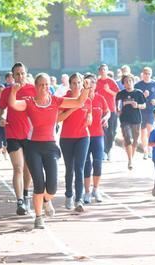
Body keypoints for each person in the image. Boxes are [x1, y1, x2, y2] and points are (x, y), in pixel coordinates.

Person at [8, 72, 90, 229]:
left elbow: (79, 101)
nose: (45, 87)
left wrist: (85, 89)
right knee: (39, 184)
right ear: (36, 87)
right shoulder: (29, 102)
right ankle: (38, 217)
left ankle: (46, 199)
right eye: (41, 84)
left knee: (51, 187)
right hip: (33, 147)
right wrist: (13, 91)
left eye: (47, 84)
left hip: (51, 147)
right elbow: (13, 104)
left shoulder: (55, 101)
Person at [0, 62, 36, 215]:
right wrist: (1, 117)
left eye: (22, 73)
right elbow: (1, 107)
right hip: (12, 132)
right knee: (18, 167)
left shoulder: (33, 89)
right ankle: (20, 200)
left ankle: (26, 194)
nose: (20, 76)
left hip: (30, 134)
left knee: (28, 168)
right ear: (12, 76)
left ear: (26, 74)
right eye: (17, 74)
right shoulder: (7, 91)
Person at [58, 73, 91, 212]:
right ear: (70, 84)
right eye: (74, 83)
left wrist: (89, 117)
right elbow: (58, 118)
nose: (77, 85)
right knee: (69, 169)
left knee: (79, 168)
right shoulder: (64, 99)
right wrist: (73, 108)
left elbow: (90, 115)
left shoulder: (87, 99)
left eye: (79, 83)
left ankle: (79, 199)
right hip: (67, 138)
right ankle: (68, 195)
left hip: (83, 137)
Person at [84, 74, 109, 204]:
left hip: (98, 135)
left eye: (93, 82)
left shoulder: (100, 98)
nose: (91, 84)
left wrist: (106, 118)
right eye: (88, 82)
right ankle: (87, 192)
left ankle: (96, 189)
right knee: (87, 164)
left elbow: (108, 111)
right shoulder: (81, 99)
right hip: (84, 136)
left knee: (98, 163)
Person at [116, 74, 146, 170]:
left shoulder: (138, 93)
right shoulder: (121, 94)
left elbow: (144, 105)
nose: (128, 83)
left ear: (133, 82)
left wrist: (137, 105)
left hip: (136, 119)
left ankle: (131, 158)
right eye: (126, 81)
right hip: (124, 119)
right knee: (127, 138)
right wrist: (118, 109)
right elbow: (117, 105)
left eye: (130, 81)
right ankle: (130, 160)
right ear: (123, 84)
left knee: (135, 141)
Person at [134, 67, 155, 159]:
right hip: (141, 110)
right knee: (143, 131)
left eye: (148, 73)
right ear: (142, 74)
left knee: (150, 128)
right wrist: (143, 96)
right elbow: (135, 98)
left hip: (151, 110)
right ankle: (145, 151)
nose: (147, 75)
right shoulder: (138, 85)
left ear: (151, 74)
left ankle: (150, 149)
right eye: (145, 73)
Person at [96, 64, 120, 161]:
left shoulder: (111, 81)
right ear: (99, 71)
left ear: (107, 71)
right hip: (100, 110)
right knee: (103, 131)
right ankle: (104, 151)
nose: (102, 71)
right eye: (101, 70)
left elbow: (118, 94)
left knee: (111, 131)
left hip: (111, 109)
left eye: (104, 69)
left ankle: (109, 149)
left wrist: (108, 90)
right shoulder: (97, 82)